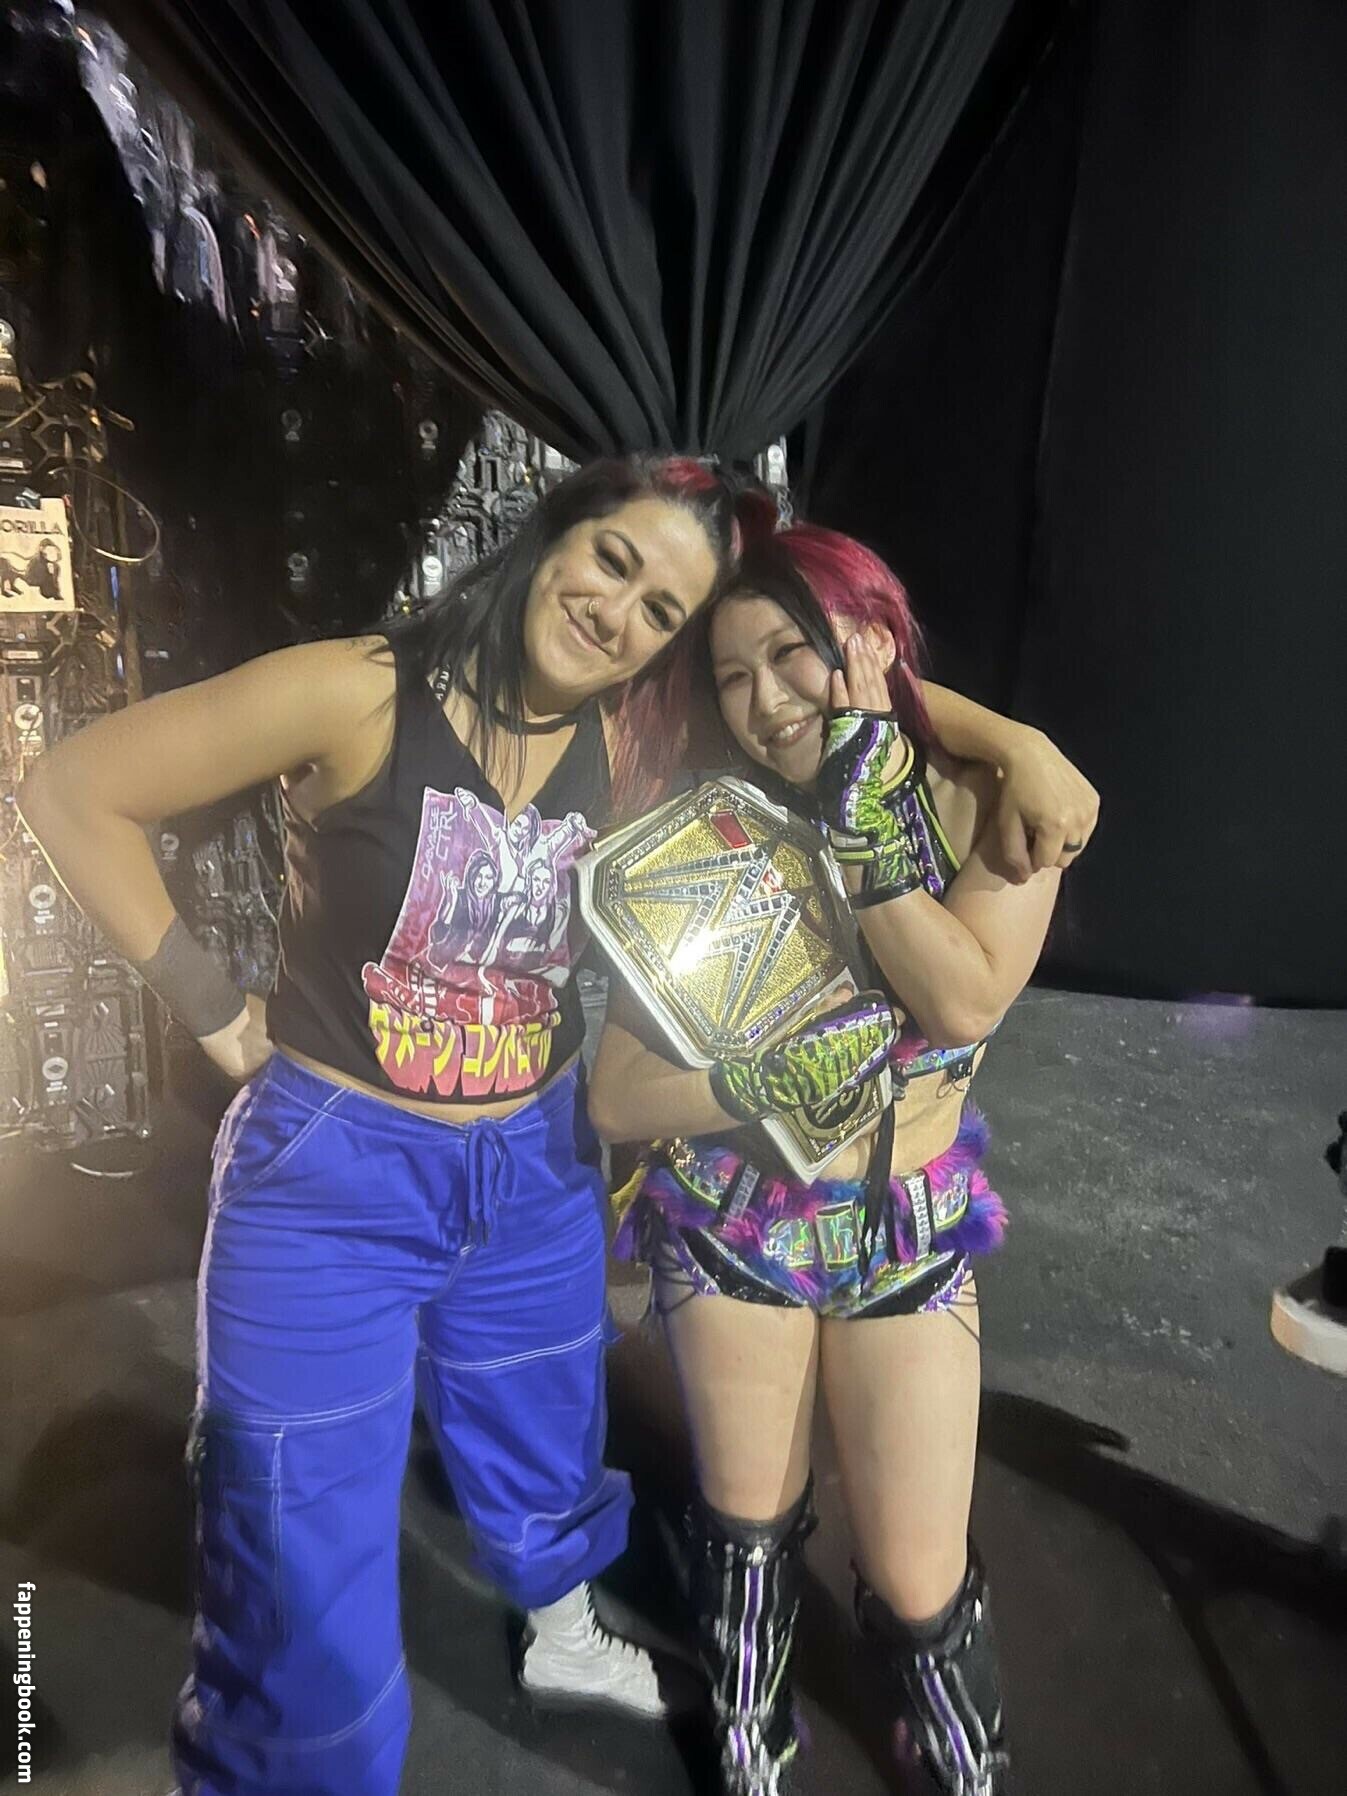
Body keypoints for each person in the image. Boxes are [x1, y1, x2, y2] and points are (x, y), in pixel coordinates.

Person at [17, 455, 1089, 1796]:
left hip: (534, 1159)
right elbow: (73, 789)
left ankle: (566, 1629)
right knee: (295, 1547)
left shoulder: (632, 737)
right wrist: (219, 1017)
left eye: (660, 613)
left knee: (544, 1433)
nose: (619, 614)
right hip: (345, 1165)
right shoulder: (360, 688)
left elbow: (813, 684)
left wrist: (1017, 742)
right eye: (612, 563)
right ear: (552, 532)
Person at [590, 522, 1066, 1796]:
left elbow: (961, 999)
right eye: (731, 678)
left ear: (865, 637)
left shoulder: (993, 803)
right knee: (748, 1528)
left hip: (907, 1227)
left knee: (918, 1574)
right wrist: (747, 1081)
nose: (762, 702)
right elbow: (617, 1090)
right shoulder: (720, 833)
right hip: (738, 1219)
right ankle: (751, 1745)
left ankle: (962, 1763)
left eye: (787, 656)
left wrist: (869, 837)